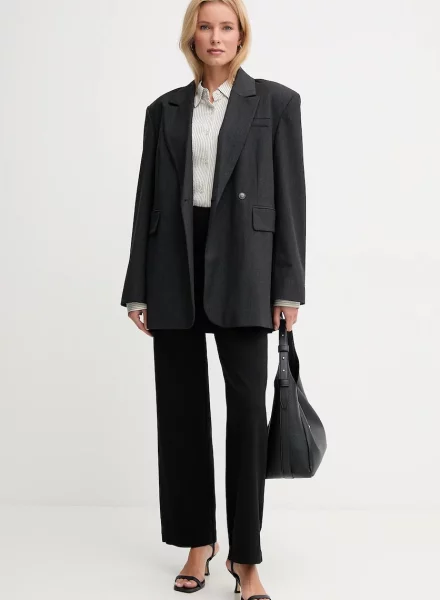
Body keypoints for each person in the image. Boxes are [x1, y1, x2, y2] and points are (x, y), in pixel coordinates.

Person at [120, 1, 306, 598]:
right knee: (181, 412)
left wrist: (288, 286)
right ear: (192, 36)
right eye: (206, 26)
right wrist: (138, 287)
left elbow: (290, 201)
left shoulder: (276, 103)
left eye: (227, 26)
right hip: (173, 262)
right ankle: (198, 543)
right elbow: (147, 199)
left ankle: (246, 558)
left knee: (248, 415)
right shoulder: (164, 110)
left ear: (241, 35)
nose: (216, 36)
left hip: (247, 268)